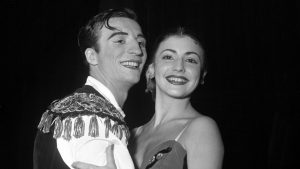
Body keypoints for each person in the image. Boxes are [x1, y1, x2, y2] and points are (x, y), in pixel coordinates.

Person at [33, 8, 147, 169]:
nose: (138, 50)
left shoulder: (87, 110)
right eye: (120, 41)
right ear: (92, 56)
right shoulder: (90, 119)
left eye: (141, 43)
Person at [130, 27, 224, 169]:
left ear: (202, 75)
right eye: (168, 57)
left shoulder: (201, 128)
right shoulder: (131, 135)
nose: (179, 67)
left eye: (191, 60)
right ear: (151, 69)